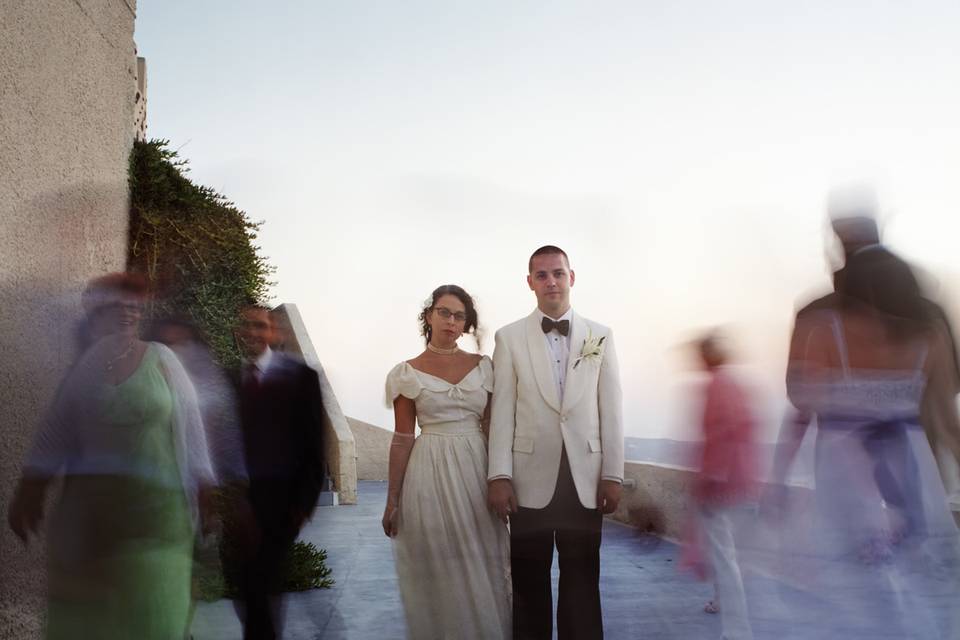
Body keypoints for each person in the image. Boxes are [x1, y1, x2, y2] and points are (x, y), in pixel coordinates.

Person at [6, 272, 215, 639]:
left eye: (134, 305)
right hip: (94, 527)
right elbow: (56, 429)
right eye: (117, 305)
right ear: (97, 313)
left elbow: (194, 430)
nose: (127, 312)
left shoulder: (163, 359)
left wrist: (206, 492)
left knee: (155, 618)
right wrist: (31, 486)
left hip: (158, 524)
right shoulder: (87, 367)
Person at [771, 248, 960, 638]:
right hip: (911, 468)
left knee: (850, 584)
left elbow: (800, 405)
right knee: (916, 579)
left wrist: (779, 475)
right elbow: (947, 421)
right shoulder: (930, 335)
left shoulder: (824, 330)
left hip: (846, 468)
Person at [488, 245, 624, 640]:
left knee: (583, 582)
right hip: (529, 480)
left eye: (558, 273)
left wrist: (612, 474)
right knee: (529, 585)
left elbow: (611, 409)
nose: (551, 281)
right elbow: (504, 413)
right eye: (542, 275)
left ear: (572, 277)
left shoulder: (601, 335)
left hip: (585, 478)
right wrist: (499, 475)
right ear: (529, 282)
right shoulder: (509, 337)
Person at [382, 285, 511, 640]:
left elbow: (493, 426)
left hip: (476, 468)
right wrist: (393, 500)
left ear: (466, 324)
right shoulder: (406, 372)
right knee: (440, 566)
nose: (451, 322)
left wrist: (502, 478)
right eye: (444, 312)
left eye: (459, 316)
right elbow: (403, 437)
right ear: (429, 316)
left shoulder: (483, 367)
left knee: (482, 558)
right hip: (429, 473)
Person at [228, 302, 326, 640]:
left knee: (259, 583)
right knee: (247, 586)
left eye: (260, 326)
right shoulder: (232, 380)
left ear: (274, 332)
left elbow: (314, 443)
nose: (252, 333)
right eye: (246, 326)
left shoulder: (301, 378)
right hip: (240, 501)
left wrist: (303, 505)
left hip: (281, 503)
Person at [682, 332, 756, 640]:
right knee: (728, 552)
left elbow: (720, 435)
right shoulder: (734, 383)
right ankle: (723, 602)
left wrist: (711, 477)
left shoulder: (716, 385)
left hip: (720, 484)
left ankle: (738, 631)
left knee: (724, 557)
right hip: (740, 480)